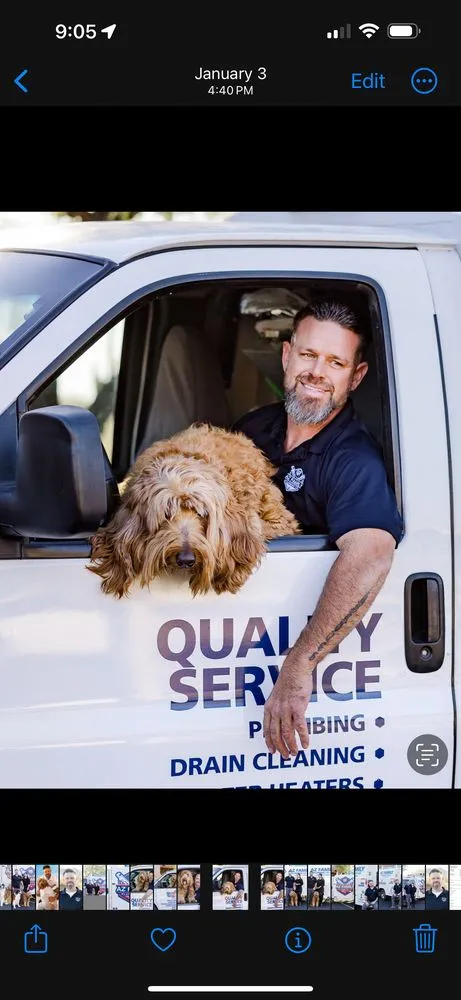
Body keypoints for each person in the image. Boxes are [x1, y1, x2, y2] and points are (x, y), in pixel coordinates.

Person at [234, 300, 403, 757]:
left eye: (336, 362)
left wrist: (298, 667)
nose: (317, 372)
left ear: (357, 375)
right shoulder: (251, 429)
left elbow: (370, 553)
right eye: (308, 355)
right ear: (287, 356)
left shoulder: (353, 460)